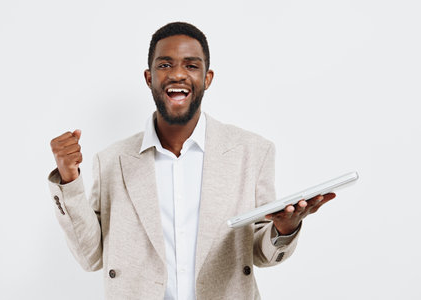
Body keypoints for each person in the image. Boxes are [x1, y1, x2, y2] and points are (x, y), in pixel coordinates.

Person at [48, 22, 335, 300]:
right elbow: (90, 257)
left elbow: (259, 253)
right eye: (165, 65)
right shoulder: (111, 160)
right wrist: (69, 178)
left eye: (191, 65)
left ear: (207, 78)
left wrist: (284, 230)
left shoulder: (252, 151)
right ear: (149, 78)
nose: (177, 74)